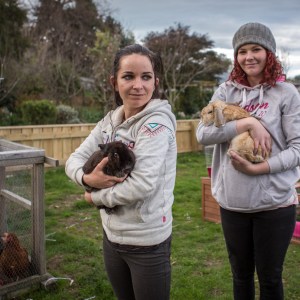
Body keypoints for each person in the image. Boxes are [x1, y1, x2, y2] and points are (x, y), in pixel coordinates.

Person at [196, 22, 300, 300]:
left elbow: (297, 149)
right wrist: (248, 123)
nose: (249, 56)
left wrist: (260, 168)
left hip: (274, 205)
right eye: (242, 51)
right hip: (233, 203)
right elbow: (202, 134)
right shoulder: (225, 91)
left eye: (256, 49)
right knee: (240, 277)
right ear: (235, 56)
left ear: (270, 53)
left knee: (269, 280)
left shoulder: (286, 93)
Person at [65, 44, 177, 300]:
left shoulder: (155, 125)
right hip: (111, 235)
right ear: (114, 82)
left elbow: (141, 185)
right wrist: (86, 178)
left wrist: (94, 197)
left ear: (155, 82)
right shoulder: (109, 122)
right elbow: (73, 159)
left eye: (146, 77)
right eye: (128, 76)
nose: (138, 85)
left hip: (146, 241)